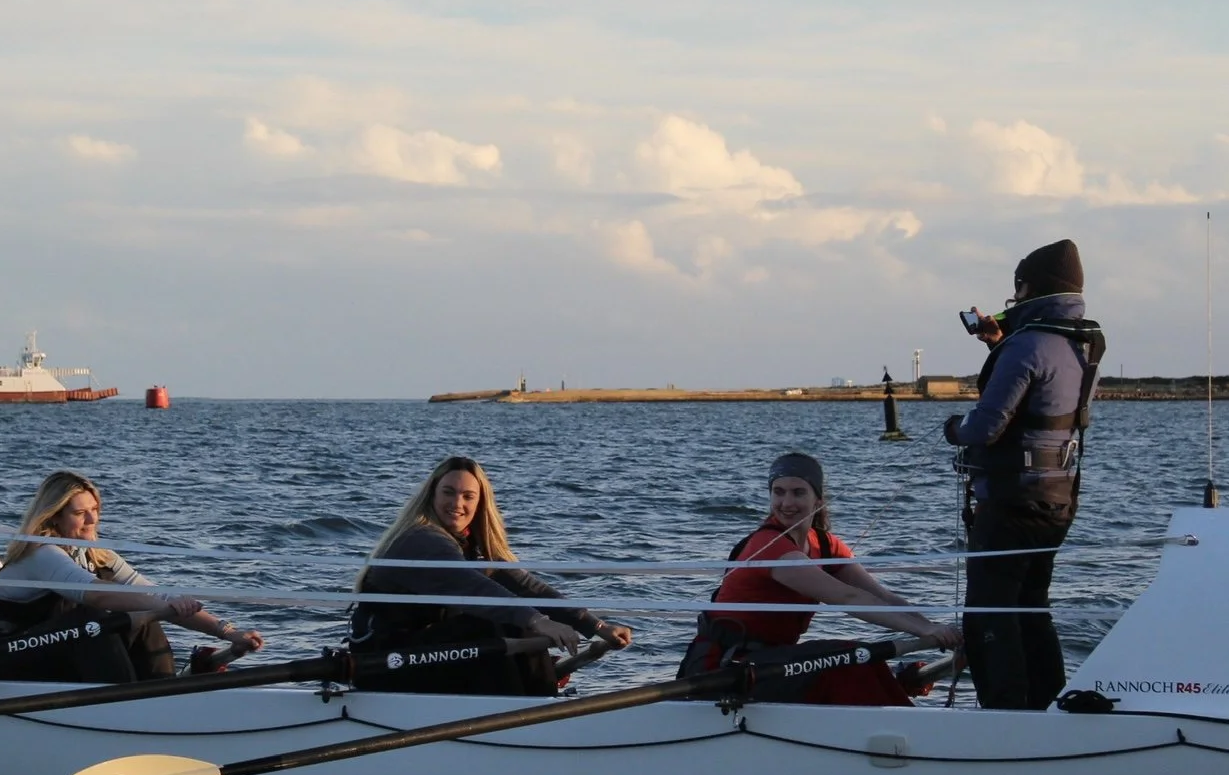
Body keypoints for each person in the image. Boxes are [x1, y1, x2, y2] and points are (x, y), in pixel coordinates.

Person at [944, 238, 1104, 710]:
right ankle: (1046, 709)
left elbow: (988, 427)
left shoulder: (1028, 344)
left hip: (1012, 501)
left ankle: (1005, 719)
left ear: (1027, 286)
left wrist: (954, 430)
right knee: (1033, 607)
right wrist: (998, 341)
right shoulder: (1077, 339)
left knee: (991, 613)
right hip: (1058, 499)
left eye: (1016, 290)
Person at [680, 452, 962, 705]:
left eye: (798, 493)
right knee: (849, 661)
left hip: (773, 662)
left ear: (818, 499)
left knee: (864, 657)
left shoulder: (826, 545)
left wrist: (932, 626)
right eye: (778, 492)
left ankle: (906, 728)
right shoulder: (769, 545)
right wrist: (924, 632)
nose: (786, 503)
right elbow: (847, 597)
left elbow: (882, 596)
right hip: (722, 668)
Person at [350, 455, 633, 696]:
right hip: (389, 660)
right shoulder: (421, 538)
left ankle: (537, 701)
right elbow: (471, 587)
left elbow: (526, 587)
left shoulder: (471, 545)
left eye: (467, 496)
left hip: (429, 653)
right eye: (448, 492)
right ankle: (531, 709)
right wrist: (539, 622)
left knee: (514, 620)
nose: (457, 503)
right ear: (432, 495)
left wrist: (596, 627)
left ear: (480, 502)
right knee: (501, 625)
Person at [0, 470, 264, 680]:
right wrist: (159, 607)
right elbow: (96, 594)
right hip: (11, 656)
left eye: (94, 510)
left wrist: (229, 633)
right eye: (80, 514)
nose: (92, 520)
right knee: (102, 617)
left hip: (61, 654)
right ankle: (129, 704)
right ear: (54, 517)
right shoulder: (40, 553)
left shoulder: (99, 556)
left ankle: (163, 692)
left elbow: (157, 594)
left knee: (143, 617)